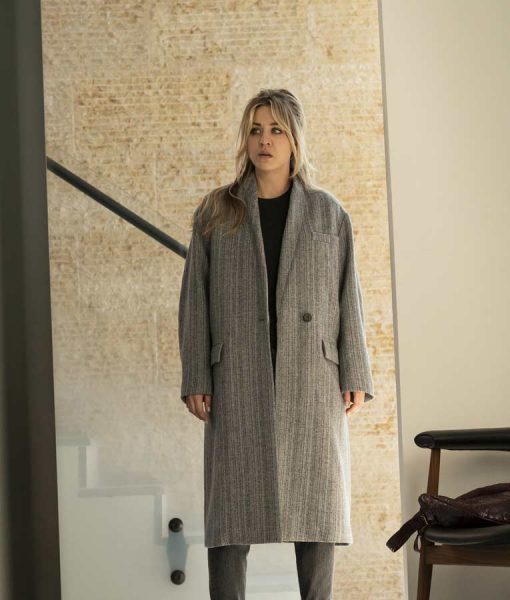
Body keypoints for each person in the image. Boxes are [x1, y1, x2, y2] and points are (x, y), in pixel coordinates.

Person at [178, 88, 375, 599]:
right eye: (255, 130)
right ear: (245, 139)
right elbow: (195, 299)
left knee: (316, 511)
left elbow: (348, 295)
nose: (264, 140)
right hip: (237, 374)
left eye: (276, 130)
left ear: (294, 139)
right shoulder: (217, 211)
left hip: (311, 375)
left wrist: (356, 371)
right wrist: (196, 374)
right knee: (230, 514)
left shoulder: (329, 213)